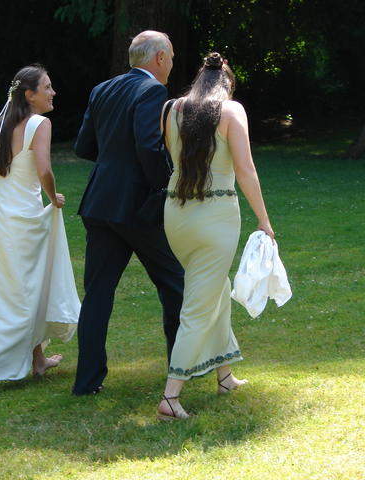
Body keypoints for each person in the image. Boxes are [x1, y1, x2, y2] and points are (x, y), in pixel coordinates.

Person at [157, 53, 275, 419]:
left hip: (176, 214)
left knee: (215, 290)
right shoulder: (232, 111)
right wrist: (264, 220)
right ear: (226, 84)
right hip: (216, 216)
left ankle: (224, 374)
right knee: (199, 304)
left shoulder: (170, 110)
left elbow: (172, 157)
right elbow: (245, 168)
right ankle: (170, 397)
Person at [72, 31, 184, 395]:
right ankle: (181, 367)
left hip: (99, 202)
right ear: (159, 59)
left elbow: (84, 146)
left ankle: (87, 382)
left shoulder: (101, 89)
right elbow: (149, 147)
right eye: (170, 57)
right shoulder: (152, 91)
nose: (171, 65)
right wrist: (166, 184)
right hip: (136, 206)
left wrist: (113, 166)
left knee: (98, 294)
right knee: (175, 284)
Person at [0, 64, 80, 395]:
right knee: (20, 292)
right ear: (29, 95)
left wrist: (6, 182)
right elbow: (45, 169)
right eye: (47, 87)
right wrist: (53, 197)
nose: (53, 92)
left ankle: (38, 358)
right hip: (23, 218)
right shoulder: (38, 123)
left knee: (16, 286)